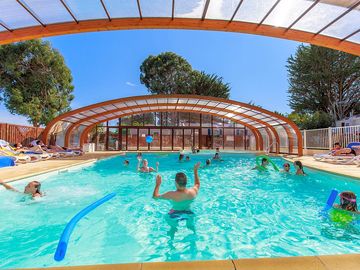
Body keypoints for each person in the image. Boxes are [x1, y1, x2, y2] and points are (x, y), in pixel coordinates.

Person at [152, 162, 201, 238]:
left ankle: (172, 235)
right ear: (186, 182)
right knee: (191, 226)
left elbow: (155, 197)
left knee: (171, 224)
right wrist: (195, 171)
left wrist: (158, 184)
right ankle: (194, 238)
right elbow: (197, 184)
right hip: (188, 213)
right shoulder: (193, 192)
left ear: (176, 183)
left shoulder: (171, 194)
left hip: (174, 213)